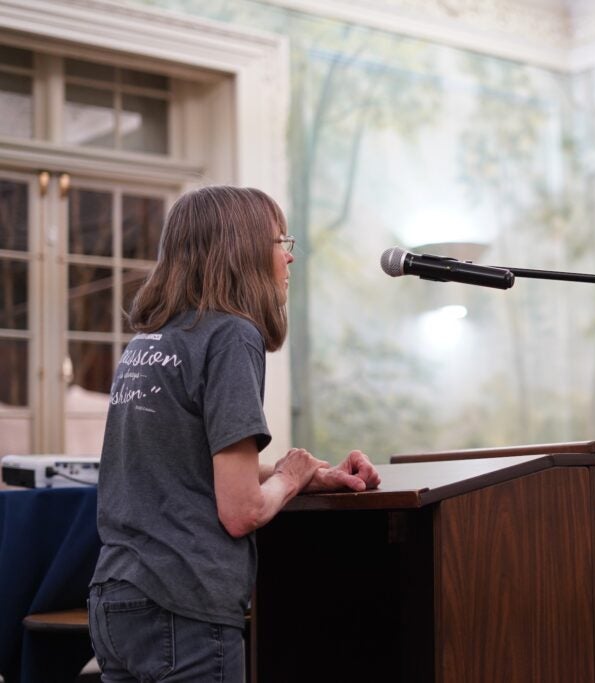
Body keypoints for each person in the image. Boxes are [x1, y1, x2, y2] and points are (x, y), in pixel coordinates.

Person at [87, 186, 381, 682]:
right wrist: (286, 479)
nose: (289, 255)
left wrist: (311, 475)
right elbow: (242, 510)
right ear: (240, 249)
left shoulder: (151, 341)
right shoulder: (231, 335)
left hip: (116, 599)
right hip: (184, 606)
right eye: (279, 240)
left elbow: (195, 467)